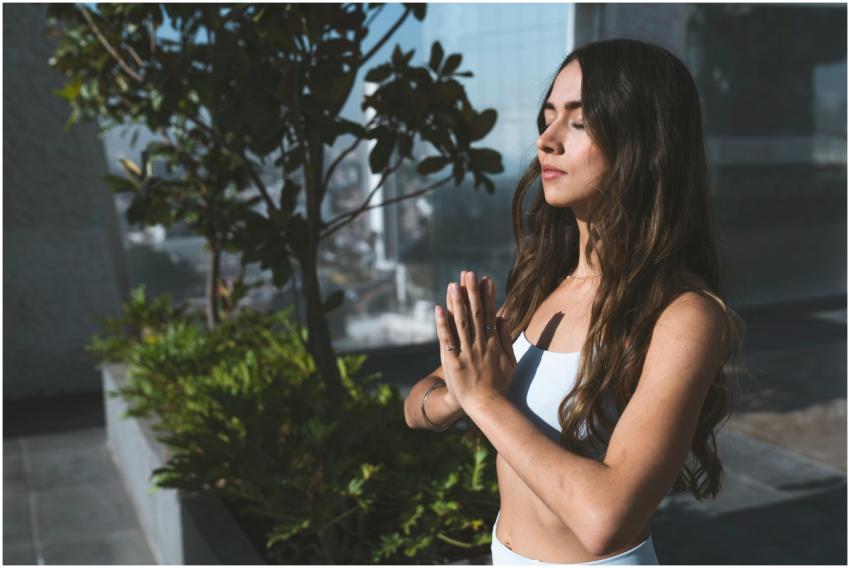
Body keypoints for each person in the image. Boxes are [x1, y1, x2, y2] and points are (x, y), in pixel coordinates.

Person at [404, 37, 749, 565]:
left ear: (645, 144)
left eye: (579, 122)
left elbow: (606, 520)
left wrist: (485, 401)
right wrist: (457, 395)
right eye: (547, 118)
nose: (547, 140)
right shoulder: (541, 287)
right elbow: (418, 403)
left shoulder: (683, 316)